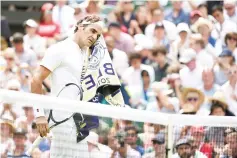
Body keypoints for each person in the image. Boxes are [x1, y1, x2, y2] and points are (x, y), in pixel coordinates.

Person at [31, 15, 103, 158]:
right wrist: (39, 115)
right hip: (63, 122)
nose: (94, 37)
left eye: (98, 35)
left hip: (78, 123)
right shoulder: (60, 48)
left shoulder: (85, 54)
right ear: (81, 27)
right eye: (92, 31)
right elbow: (35, 80)